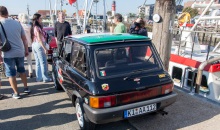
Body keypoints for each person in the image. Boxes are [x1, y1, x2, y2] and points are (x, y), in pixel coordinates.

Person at [0, 6, 30, 99]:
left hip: (8, 53)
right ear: (7, 13)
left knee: (11, 73)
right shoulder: (17, 23)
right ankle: (26, 88)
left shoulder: (0, 24)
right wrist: (26, 49)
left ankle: (16, 93)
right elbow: (24, 39)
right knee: (22, 70)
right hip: (20, 51)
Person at [31, 13, 52, 83]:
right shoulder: (37, 28)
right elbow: (40, 39)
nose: (41, 20)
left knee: (38, 62)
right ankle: (45, 78)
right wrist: (45, 48)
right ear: (37, 19)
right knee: (43, 62)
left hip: (34, 44)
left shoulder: (33, 27)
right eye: (40, 18)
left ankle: (39, 77)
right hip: (39, 44)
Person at [18, 13, 33, 78]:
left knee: (21, 60)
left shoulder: (19, 26)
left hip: (21, 44)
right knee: (29, 59)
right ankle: (30, 72)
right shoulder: (30, 26)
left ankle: (21, 72)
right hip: (29, 44)